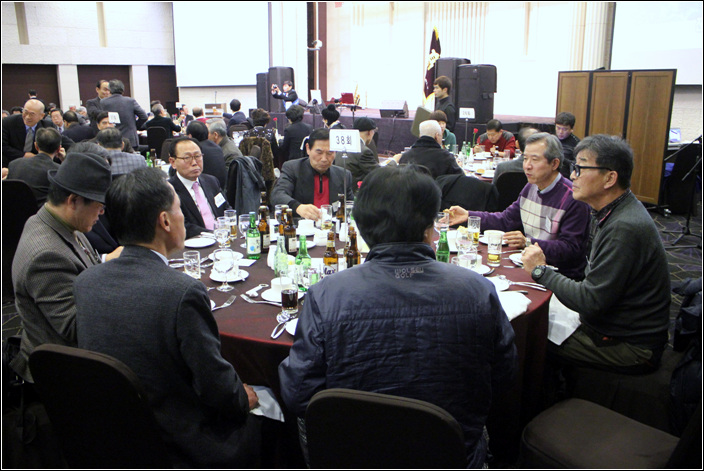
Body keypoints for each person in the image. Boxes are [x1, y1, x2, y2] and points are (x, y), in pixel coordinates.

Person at [279, 165, 517, 468]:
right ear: (430, 227)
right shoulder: (478, 290)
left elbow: (298, 393)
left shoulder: (326, 294)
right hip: (451, 455)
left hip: (354, 457)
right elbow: (504, 376)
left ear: (361, 227)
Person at [73, 167, 261, 467]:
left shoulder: (86, 281)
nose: (183, 218)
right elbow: (214, 385)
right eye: (180, 210)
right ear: (165, 221)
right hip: (177, 441)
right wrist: (241, 398)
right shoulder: (181, 292)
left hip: (108, 432)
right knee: (271, 415)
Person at [522, 135, 671, 373]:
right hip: (611, 324)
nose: (573, 176)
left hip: (631, 346)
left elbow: (590, 302)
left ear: (610, 178)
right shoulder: (614, 211)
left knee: (528, 335)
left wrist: (541, 270)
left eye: (580, 168)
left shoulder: (624, 227)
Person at [9, 153, 116, 382]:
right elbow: (76, 328)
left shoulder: (55, 222)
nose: (102, 213)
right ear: (73, 200)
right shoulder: (47, 255)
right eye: (99, 206)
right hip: (64, 372)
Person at [449, 132, 591, 280]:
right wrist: (468, 215)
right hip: (530, 266)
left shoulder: (573, 198)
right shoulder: (531, 187)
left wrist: (528, 243)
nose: (527, 166)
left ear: (554, 164)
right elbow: (506, 219)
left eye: (534, 160)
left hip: (559, 277)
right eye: (525, 159)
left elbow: (570, 249)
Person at [271, 128, 354, 221]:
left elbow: (350, 206)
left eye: (329, 153)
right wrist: (298, 207)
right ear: (308, 149)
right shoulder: (293, 168)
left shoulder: (343, 175)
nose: (324, 159)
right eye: (319, 152)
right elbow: (278, 195)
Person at [168, 136, 231, 238]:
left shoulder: (211, 181)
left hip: (222, 239)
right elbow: (183, 227)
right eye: (187, 158)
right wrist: (213, 234)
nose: (194, 163)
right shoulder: (169, 191)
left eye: (197, 156)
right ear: (173, 162)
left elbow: (226, 209)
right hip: (193, 243)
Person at [2, 99, 74, 167]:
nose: (27, 117)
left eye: (32, 114)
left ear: (41, 116)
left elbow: (63, 141)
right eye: (25, 112)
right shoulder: (8, 122)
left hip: (37, 165)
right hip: (10, 164)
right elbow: (3, 146)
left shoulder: (47, 126)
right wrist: (23, 155)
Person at [6, 127, 62, 207]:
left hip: (12, 212)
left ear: (36, 146)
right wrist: (64, 160)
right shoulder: (58, 171)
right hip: (39, 213)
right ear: (59, 149)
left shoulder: (14, 164)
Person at [396, 120, 463, 179]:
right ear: (437, 136)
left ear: (420, 136)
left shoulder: (405, 157)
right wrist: (457, 166)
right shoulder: (446, 158)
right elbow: (461, 179)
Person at [333, 116, 380, 191]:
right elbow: (379, 173)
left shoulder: (342, 146)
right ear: (369, 132)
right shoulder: (364, 151)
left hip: (339, 189)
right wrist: (393, 161)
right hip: (356, 193)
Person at [99, 79, 148, 148]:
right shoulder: (130, 101)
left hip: (111, 138)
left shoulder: (103, 102)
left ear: (109, 90)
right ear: (123, 90)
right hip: (130, 139)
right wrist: (134, 126)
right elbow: (144, 116)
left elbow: (101, 118)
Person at [186, 120, 227, 189]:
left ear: (190, 136)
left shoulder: (195, 151)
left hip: (206, 188)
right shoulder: (217, 147)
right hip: (222, 188)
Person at [555, 111, 581, 177]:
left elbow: (577, 165)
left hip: (567, 177)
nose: (560, 132)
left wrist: (563, 159)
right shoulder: (551, 139)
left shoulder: (577, 144)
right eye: (558, 128)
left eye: (565, 129)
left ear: (571, 129)